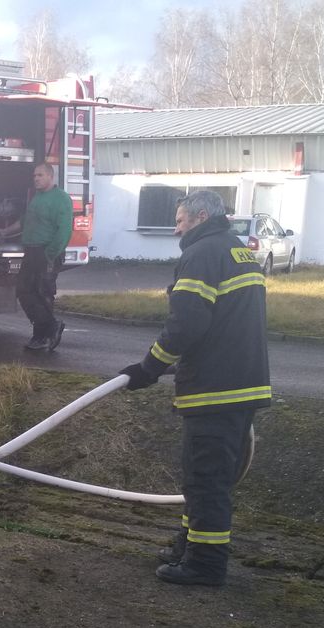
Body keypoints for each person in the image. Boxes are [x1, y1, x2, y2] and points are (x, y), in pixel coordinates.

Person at [117, 191, 271, 586]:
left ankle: (205, 566)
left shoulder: (201, 254)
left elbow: (187, 324)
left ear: (201, 217)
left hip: (214, 388)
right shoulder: (236, 250)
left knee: (206, 482)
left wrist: (149, 368)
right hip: (240, 383)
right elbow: (222, 323)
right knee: (204, 480)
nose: (176, 229)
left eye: (180, 220)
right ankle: (189, 548)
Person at [0, 163, 73, 352]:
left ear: (50, 176)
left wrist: (51, 254)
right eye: (34, 176)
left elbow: (64, 230)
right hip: (30, 251)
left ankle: (43, 335)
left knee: (43, 293)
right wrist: (4, 232)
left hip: (46, 252)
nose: (36, 179)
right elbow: (24, 222)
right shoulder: (37, 198)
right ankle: (48, 328)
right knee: (24, 290)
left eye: (40, 175)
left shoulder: (61, 199)